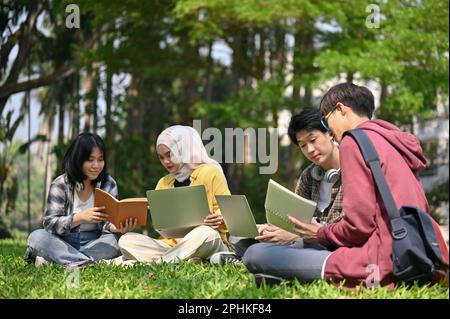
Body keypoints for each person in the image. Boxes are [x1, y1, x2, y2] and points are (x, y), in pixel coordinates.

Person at [243, 82, 448, 288]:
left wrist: (319, 233)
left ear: (340, 109)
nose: (329, 128)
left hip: (378, 261)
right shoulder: (392, 141)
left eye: (325, 122)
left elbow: (358, 226)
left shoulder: (353, 141)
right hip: (416, 251)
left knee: (255, 254)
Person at [212, 108, 344, 265]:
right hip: (302, 240)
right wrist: (270, 229)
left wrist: (297, 236)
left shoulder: (354, 168)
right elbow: (294, 218)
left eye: (313, 140)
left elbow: (349, 228)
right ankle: (254, 256)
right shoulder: (309, 175)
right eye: (302, 145)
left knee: (277, 248)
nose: (310, 150)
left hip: (330, 243)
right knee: (240, 236)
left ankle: (250, 259)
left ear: (329, 133)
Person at [117, 125, 231, 263]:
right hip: (171, 245)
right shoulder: (163, 182)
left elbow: (230, 212)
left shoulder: (210, 172)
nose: (166, 162)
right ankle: (185, 259)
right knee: (126, 240)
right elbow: (162, 227)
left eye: (170, 154)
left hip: (207, 240)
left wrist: (219, 217)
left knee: (206, 233)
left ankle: (159, 263)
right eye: (161, 157)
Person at [24, 133, 135, 267]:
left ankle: (63, 261)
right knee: (37, 236)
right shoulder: (60, 184)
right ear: (78, 159)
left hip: (96, 242)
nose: (96, 165)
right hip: (63, 243)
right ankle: (87, 263)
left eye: (100, 159)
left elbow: (107, 222)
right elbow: (50, 223)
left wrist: (116, 227)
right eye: (90, 159)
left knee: (119, 239)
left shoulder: (108, 183)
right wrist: (79, 218)